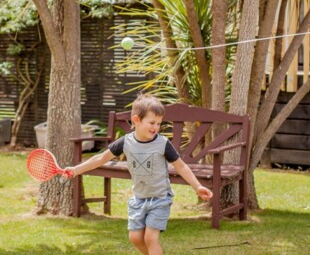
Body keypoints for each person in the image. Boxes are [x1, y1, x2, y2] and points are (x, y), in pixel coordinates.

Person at [63, 94, 213, 255]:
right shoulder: (125, 142)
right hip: (139, 198)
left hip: (160, 198)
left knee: (150, 238)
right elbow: (100, 158)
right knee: (135, 238)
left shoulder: (162, 143)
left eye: (159, 123)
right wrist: (76, 170)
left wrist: (197, 186)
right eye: (152, 123)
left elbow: (181, 166)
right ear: (136, 120)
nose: (156, 127)